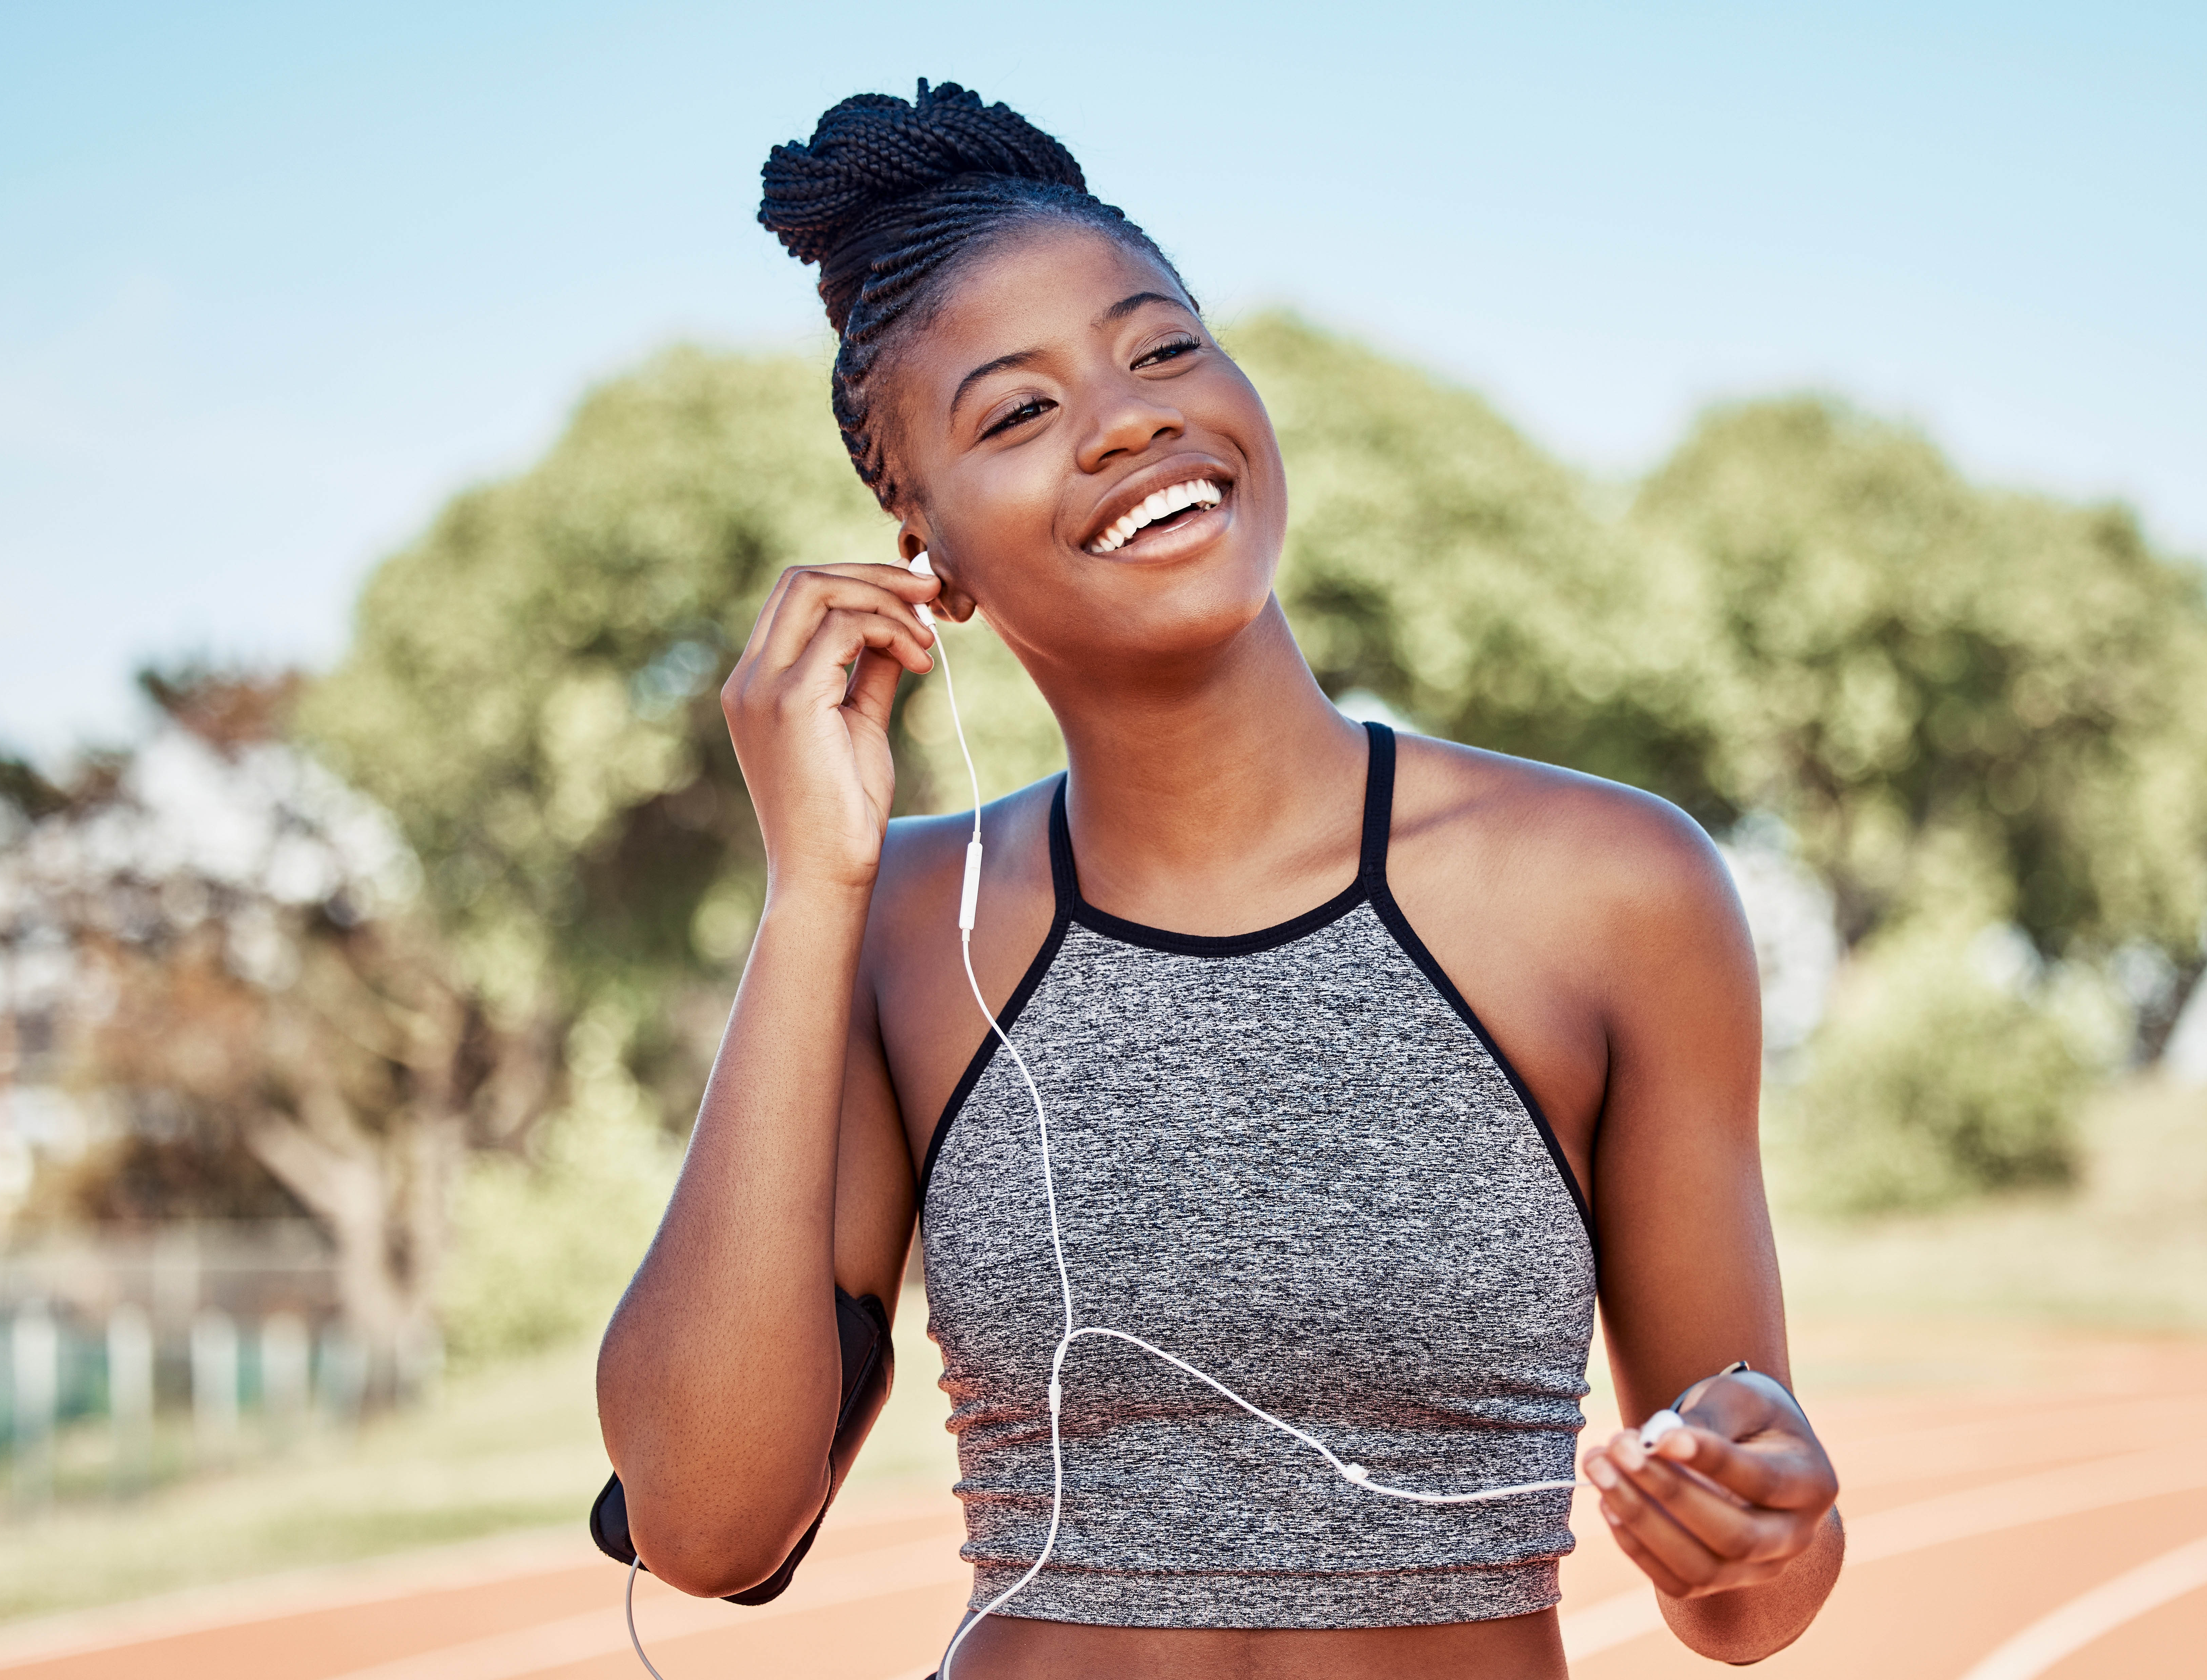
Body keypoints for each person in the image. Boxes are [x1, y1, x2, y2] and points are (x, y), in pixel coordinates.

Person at [595, 80, 1842, 1680]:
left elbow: (1743, 1606)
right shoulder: (901, 928)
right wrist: (814, 887)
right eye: (1014, 414)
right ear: (927, 556)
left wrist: (1772, 1523)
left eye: (1163, 345)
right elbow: (706, 1526)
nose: (1127, 417)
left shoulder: (1611, 889)